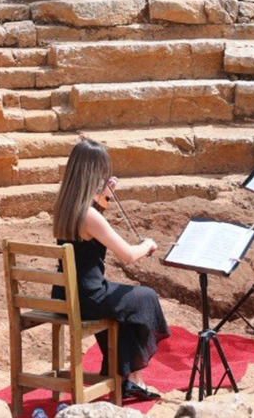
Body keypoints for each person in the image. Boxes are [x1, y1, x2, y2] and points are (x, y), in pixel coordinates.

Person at [50, 138, 168, 402]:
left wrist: (102, 198)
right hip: (88, 296)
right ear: (94, 174)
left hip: (64, 293)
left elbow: (88, 232)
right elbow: (127, 255)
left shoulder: (65, 206)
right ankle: (134, 377)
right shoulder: (89, 216)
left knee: (124, 303)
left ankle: (125, 377)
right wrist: (147, 244)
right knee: (145, 297)